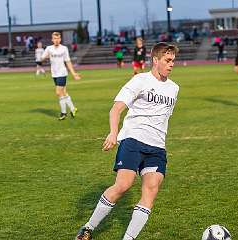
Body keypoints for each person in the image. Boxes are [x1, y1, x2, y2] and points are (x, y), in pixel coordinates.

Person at [75, 42, 180, 240]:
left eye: (173, 60)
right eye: (167, 60)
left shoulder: (174, 89)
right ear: (155, 60)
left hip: (157, 147)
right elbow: (115, 109)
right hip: (133, 140)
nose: (171, 64)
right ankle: (88, 227)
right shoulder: (139, 80)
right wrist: (113, 133)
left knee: (151, 189)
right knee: (123, 185)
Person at [41, 32, 81, 120]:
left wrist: (74, 73)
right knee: (64, 93)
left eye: (58, 38)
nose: (56, 40)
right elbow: (42, 58)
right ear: (52, 39)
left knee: (58, 92)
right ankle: (73, 108)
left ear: (60, 39)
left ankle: (63, 113)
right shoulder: (49, 48)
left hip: (62, 73)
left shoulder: (64, 48)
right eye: (55, 38)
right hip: (54, 74)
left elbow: (68, 61)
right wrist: (45, 57)